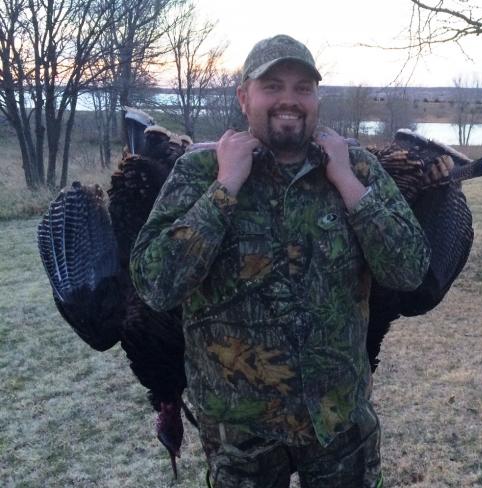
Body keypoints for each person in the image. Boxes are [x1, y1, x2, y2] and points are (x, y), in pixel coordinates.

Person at [130, 34, 431, 487]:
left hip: (339, 425)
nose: (288, 100)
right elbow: (156, 284)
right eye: (272, 86)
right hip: (240, 437)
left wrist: (348, 181)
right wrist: (225, 187)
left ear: (316, 98)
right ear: (243, 96)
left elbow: (409, 270)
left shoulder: (360, 167)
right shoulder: (198, 173)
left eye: (302, 87)